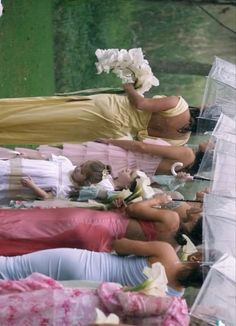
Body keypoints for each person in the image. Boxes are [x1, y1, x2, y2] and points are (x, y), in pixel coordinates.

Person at [0, 193, 202, 256]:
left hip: (96, 223)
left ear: (196, 222)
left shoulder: (172, 220)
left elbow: (134, 209)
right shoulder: (172, 249)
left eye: (199, 215)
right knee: (40, 247)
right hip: (99, 246)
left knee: (31, 224)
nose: (196, 211)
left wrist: (157, 200)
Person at [0, 239, 208, 297]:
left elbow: (120, 246)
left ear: (198, 257)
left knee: (11, 267)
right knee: (16, 293)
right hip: (85, 291)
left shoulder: (166, 252)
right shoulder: (172, 300)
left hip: (85, 263)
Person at [0, 84, 198, 145]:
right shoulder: (180, 140)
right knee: (49, 130)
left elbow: (141, 103)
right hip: (110, 129)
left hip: (111, 108)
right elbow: (141, 140)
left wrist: (129, 86)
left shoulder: (179, 104)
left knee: (47, 112)